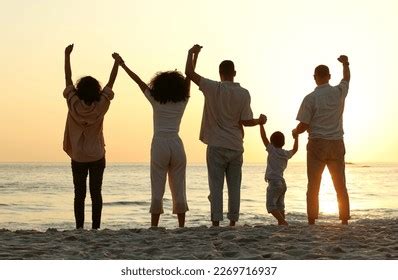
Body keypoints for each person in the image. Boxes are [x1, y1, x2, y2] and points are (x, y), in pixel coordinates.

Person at [112, 52, 198, 227]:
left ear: (159, 86)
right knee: (179, 186)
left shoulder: (155, 99)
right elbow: (189, 75)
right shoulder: (183, 100)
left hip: (159, 144)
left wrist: (122, 65)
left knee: (157, 186)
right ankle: (181, 225)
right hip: (176, 144)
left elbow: (138, 81)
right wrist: (193, 55)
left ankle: (154, 225)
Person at [185, 44, 266, 227]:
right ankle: (233, 222)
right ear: (234, 72)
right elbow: (245, 121)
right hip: (236, 145)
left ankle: (215, 222)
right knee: (234, 187)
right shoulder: (244, 93)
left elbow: (189, 73)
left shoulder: (212, 87)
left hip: (216, 144)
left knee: (216, 186)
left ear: (219, 72)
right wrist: (259, 121)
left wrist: (192, 53)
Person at [63, 44, 121, 229]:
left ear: (79, 90)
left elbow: (67, 78)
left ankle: (79, 227)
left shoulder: (73, 103)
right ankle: (96, 227)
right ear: (96, 90)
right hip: (97, 154)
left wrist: (67, 56)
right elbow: (111, 83)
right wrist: (116, 64)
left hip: (78, 155)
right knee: (96, 192)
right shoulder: (101, 105)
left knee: (79, 193)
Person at [293, 55, 351, 225]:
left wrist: (295, 132)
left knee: (314, 184)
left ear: (314, 77)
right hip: (336, 142)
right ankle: (344, 218)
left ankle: (312, 219)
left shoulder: (310, 98)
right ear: (329, 76)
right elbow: (346, 78)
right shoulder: (339, 92)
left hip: (317, 143)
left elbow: (303, 125)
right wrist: (346, 64)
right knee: (340, 183)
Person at [259, 117, 298, 225]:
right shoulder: (285, 154)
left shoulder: (272, 150)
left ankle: (282, 221)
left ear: (271, 142)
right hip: (282, 183)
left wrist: (261, 125)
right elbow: (295, 150)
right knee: (280, 206)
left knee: (270, 206)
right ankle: (281, 223)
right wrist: (296, 138)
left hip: (274, 182)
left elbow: (263, 137)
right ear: (283, 142)